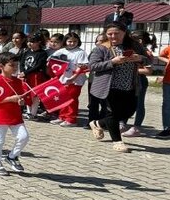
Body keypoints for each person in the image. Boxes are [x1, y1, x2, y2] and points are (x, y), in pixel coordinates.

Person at [88, 23, 147, 153]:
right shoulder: (102, 48)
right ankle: (117, 142)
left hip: (130, 85)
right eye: (110, 34)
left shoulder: (135, 45)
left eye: (116, 33)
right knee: (113, 114)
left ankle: (98, 123)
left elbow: (148, 59)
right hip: (109, 86)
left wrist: (139, 58)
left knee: (128, 112)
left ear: (124, 32)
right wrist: (112, 62)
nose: (113, 36)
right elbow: (92, 66)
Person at [0, 53, 30, 176]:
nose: (15, 68)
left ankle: (12, 156)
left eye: (16, 65)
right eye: (11, 65)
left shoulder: (17, 81)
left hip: (15, 115)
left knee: (23, 137)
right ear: (1, 66)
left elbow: (20, 98)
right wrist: (10, 99)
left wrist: (21, 101)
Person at [51, 32, 88, 127]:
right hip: (63, 79)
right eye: (70, 41)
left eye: (75, 41)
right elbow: (51, 61)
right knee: (63, 99)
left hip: (75, 81)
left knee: (72, 99)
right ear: (65, 41)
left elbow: (82, 67)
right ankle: (62, 117)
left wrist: (73, 78)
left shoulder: (80, 52)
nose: (72, 43)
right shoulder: (61, 51)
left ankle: (71, 119)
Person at [123, 30, 154, 137]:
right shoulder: (129, 50)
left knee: (139, 104)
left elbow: (148, 71)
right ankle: (122, 123)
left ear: (139, 41)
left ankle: (136, 127)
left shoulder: (146, 53)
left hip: (139, 81)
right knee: (126, 102)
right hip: (128, 80)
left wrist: (130, 70)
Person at [19, 34, 49, 120]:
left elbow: (39, 65)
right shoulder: (26, 52)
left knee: (35, 95)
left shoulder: (42, 53)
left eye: (32, 42)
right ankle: (28, 112)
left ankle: (33, 113)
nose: (29, 44)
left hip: (36, 76)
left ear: (39, 42)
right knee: (26, 94)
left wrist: (25, 72)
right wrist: (22, 72)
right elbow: (21, 62)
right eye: (28, 42)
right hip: (26, 76)